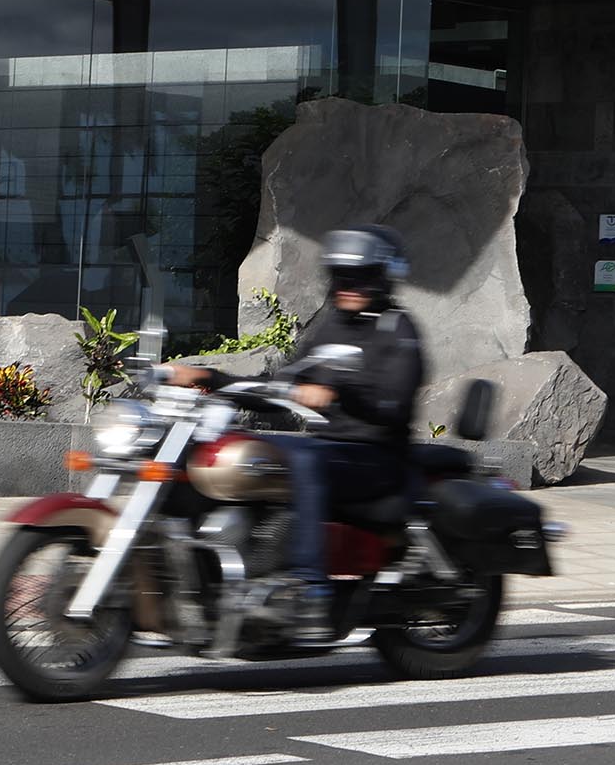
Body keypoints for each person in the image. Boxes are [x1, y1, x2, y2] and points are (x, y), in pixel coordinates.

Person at [167, 224, 427, 641]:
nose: (348, 286)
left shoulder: (398, 329)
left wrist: (339, 388)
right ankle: (205, 576)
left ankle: (311, 588)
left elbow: (393, 403)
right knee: (229, 450)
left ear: (382, 277)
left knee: (303, 459)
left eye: (359, 276)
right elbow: (279, 385)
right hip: (329, 449)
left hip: (376, 457)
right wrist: (210, 378)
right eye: (341, 276)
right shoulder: (331, 326)